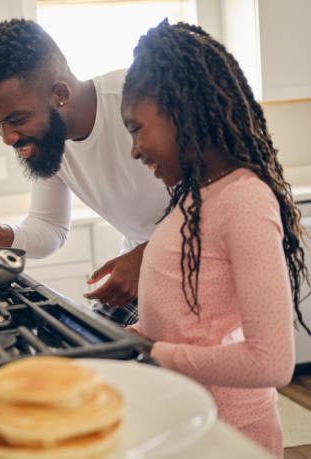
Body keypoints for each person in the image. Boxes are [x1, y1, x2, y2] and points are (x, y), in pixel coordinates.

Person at [121, 20, 310, 457]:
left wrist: (155, 352)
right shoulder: (195, 195)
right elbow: (192, 327)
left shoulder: (243, 198)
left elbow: (272, 362)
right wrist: (129, 340)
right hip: (187, 422)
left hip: (229, 435)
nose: (133, 149)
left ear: (181, 111)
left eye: (136, 128)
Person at [0, 18, 170, 326]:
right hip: (147, 257)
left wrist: (150, 256)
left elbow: (219, 201)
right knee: (100, 343)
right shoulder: (50, 144)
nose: (7, 138)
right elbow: (50, 226)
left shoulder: (140, 102)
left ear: (61, 95)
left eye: (17, 119)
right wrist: (1, 235)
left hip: (204, 254)